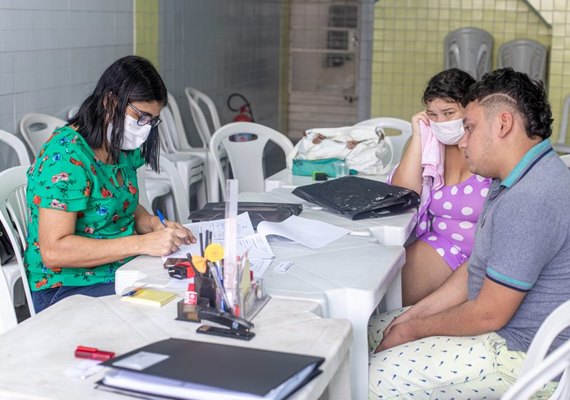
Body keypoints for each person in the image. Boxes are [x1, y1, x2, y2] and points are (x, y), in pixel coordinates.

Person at [368, 68, 570, 399]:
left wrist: (414, 330)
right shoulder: (515, 176)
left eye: (469, 128)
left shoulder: (530, 199)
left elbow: (489, 313)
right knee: (367, 331)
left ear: (503, 124)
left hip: (520, 356)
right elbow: (476, 267)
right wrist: (415, 316)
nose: (461, 141)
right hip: (504, 331)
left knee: (367, 378)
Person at [24, 55, 195, 313]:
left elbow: (121, 201)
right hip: (67, 289)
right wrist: (141, 243)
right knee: (170, 311)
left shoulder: (119, 145)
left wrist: (150, 223)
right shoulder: (66, 157)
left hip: (120, 271)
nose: (145, 128)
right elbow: (54, 250)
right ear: (110, 100)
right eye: (141, 117)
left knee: (190, 294)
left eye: (152, 120)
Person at [391, 69, 492, 305]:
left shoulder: (488, 150)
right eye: (432, 115)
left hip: (483, 257)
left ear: (470, 109)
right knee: (388, 290)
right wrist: (418, 135)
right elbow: (402, 192)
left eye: (448, 113)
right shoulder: (432, 148)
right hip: (442, 245)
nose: (441, 122)